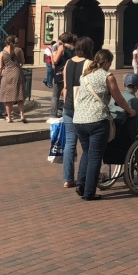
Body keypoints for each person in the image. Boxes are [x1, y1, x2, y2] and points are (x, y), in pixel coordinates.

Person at [73, 49, 136, 200]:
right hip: (97, 120)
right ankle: (89, 192)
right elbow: (119, 99)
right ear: (106, 61)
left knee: (86, 153)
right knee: (95, 156)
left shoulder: (85, 75)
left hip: (79, 119)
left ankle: (81, 185)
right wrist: (130, 111)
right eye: (110, 63)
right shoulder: (108, 76)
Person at [61, 36, 95, 189]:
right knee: (87, 146)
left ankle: (68, 178)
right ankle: (86, 175)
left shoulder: (68, 63)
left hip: (68, 105)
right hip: (82, 106)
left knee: (70, 143)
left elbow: (66, 86)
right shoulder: (89, 64)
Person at [0, 36, 28, 123]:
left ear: (6, 42)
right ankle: (22, 115)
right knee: (20, 96)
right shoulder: (19, 50)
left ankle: (9, 117)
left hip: (7, 74)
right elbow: (23, 62)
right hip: (17, 72)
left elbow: (0, 66)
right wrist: (18, 66)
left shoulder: (2, 52)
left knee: (7, 97)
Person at [50, 33, 74, 117]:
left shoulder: (62, 47)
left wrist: (53, 55)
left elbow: (56, 60)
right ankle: (66, 112)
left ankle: (53, 114)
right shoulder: (74, 49)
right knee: (67, 93)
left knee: (55, 95)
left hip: (60, 72)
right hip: (70, 73)